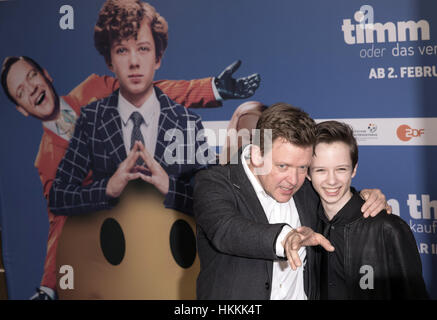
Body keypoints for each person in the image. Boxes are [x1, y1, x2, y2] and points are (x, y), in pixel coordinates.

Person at [1, 37, 259, 303]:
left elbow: (155, 93)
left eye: (32, 76)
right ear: (21, 109)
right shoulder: (45, 160)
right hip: (131, 240)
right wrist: (48, 287)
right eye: (21, 92)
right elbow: (59, 220)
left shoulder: (94, 88)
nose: (32, 89)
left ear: (46, 75)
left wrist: (212, 88)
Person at [193, 103, 389, 300]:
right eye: (283, 166)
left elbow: (336, 194)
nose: (294, 180)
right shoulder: (214, 183)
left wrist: (366, 198)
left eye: (303, 167)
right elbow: (226, 229)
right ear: (257, 154)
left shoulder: (306, 188)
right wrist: (285, 238)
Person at [307, 120, 428, 299]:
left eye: (341, 169)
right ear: (308, 174)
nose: (331, 181)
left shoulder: (388, 228)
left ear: (354, 170)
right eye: (321, 170)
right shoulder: (308, 222)